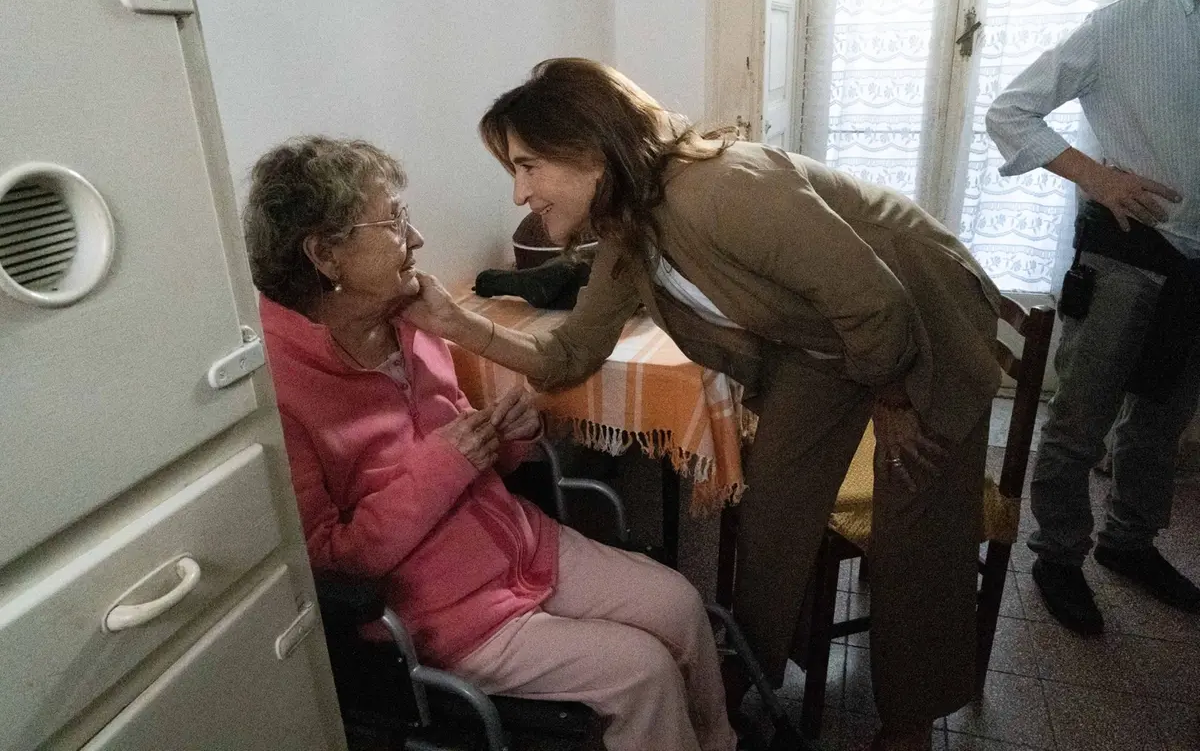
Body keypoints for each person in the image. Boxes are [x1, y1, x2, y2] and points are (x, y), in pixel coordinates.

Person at [405, 59, 1004, 751]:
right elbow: (571, 354)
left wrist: (895, 397)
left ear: (590, 149)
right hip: (827, 339)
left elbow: (876, 300)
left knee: (916, 524)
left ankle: (909, 726)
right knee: (774, 506)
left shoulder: (718, 190)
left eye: (528, 165)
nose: (518, 192)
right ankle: (746, 673)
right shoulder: (630, 228)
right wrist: (454, 322)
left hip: (921, 313)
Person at [243, 136, 736, 751]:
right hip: (444, 614)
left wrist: (506, 440)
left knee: (681, 605)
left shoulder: (410, 324)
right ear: (325, 255)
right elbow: (331, 562)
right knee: (641, 672)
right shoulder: (276, 392)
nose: (416, 237)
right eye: (394, 220)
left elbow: (468, 450)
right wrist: (447, 463)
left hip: (520, 545)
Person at [986, 0, 1200, 635]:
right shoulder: (1120, 24)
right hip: (1125, 258)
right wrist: (1096, 178)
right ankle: (1057, 555)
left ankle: (1129, 543)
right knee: (1082, 419)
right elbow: (1011, 112)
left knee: (1161, 424)